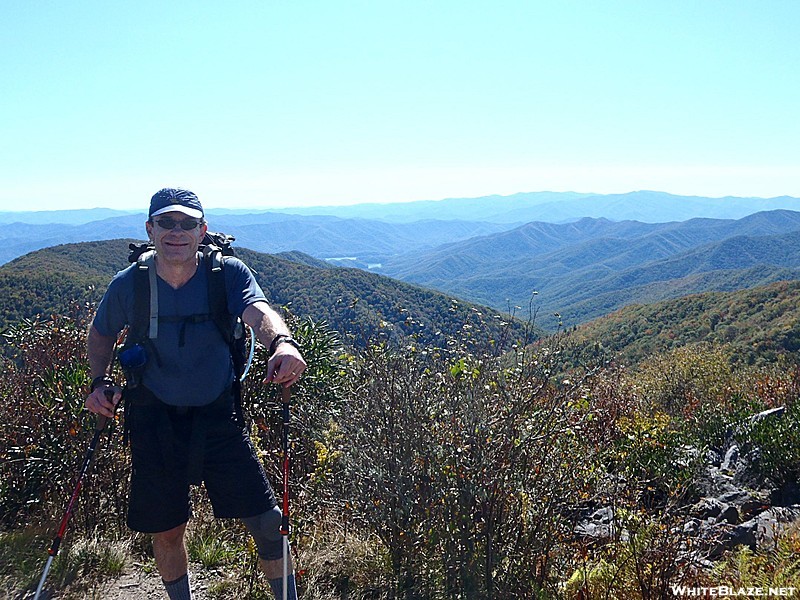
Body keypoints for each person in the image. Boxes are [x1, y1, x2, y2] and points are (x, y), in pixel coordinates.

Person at [85, 188, 306, 600]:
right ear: (150, 229)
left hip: (217, 413)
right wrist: (98, 383)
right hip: (152, 415)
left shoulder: (228, 274)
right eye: (166, 222)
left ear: (203, 231)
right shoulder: (130, 284)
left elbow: (259, 312)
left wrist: (283, 343)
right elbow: (100, 334)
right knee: (167, 528)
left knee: (267, 520)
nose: (177, 231)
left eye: (187, 223)